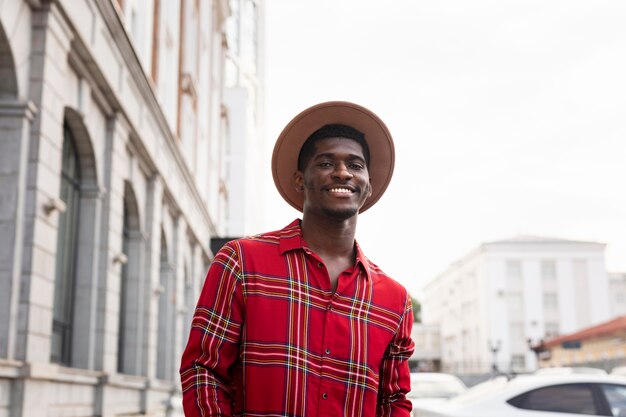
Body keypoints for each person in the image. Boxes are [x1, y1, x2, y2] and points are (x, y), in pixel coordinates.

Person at [180, 101, 415, 417]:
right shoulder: (240, 262)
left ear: (368, 187)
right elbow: (202, 370)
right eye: (326, 163)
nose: (343, 172)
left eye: (356, 165)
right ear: (300, 180)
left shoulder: (395, 300)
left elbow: (394, 401)